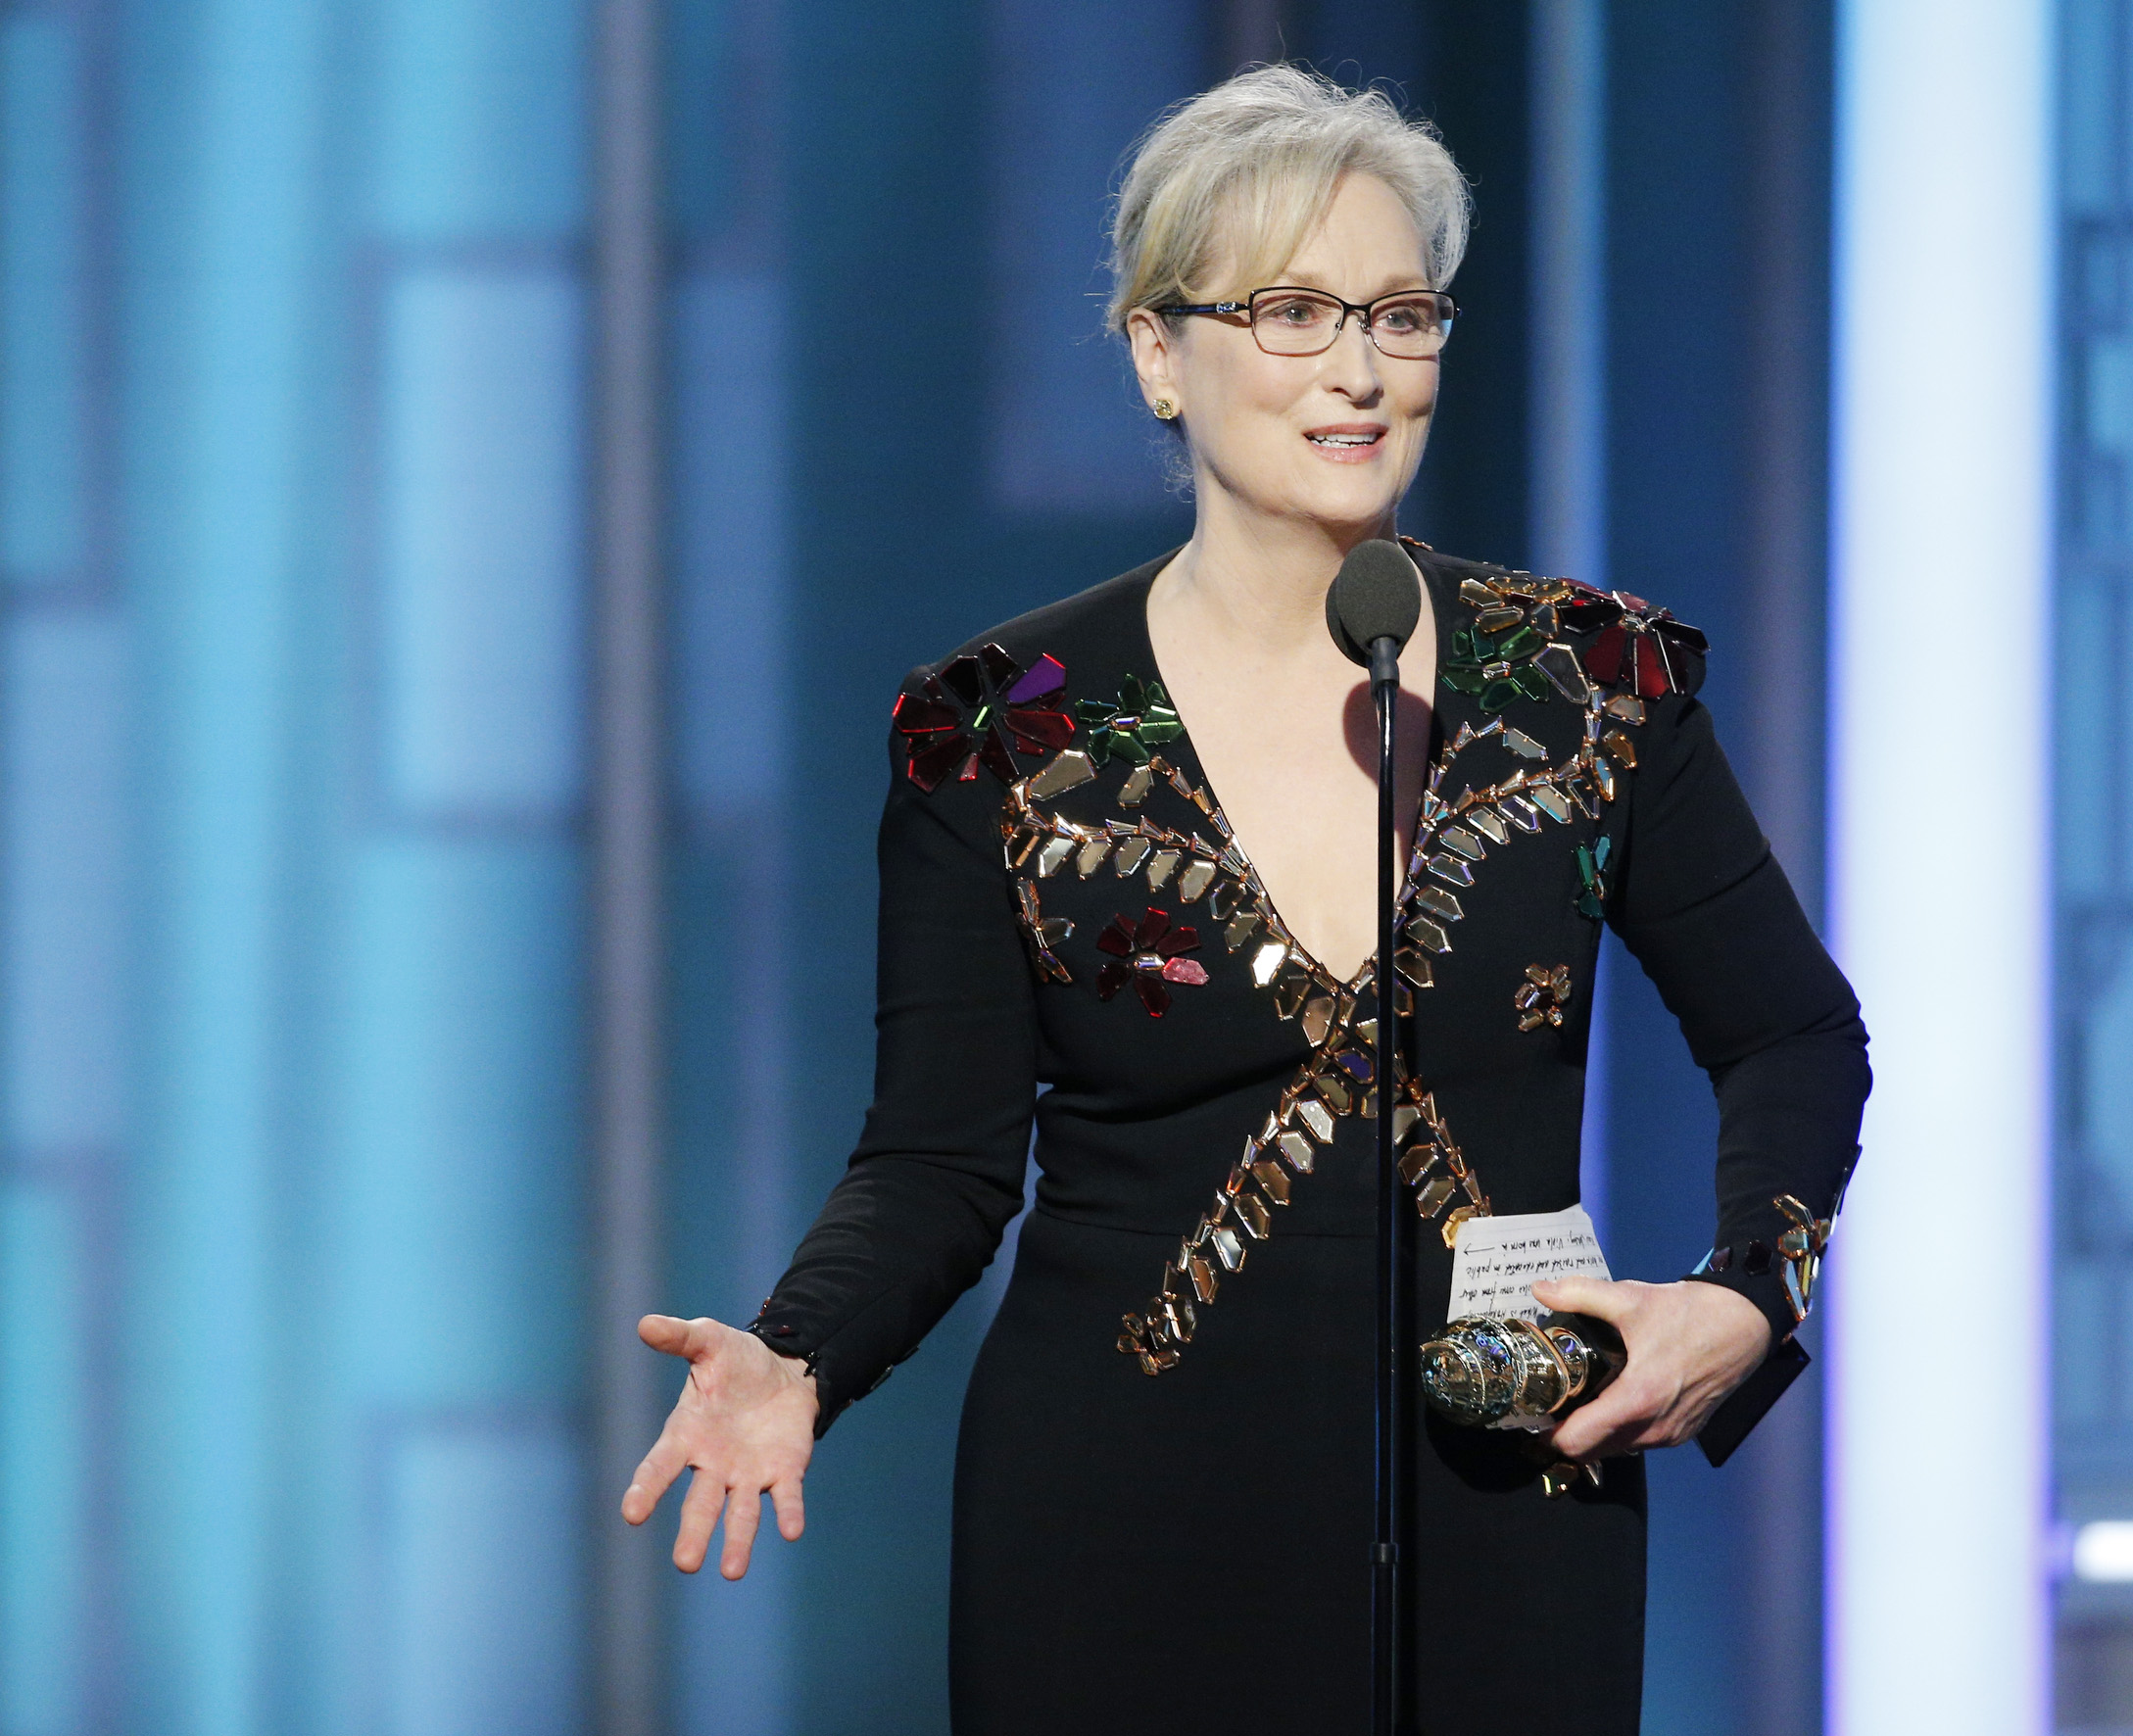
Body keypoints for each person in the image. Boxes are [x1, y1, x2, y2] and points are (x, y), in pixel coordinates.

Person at [619, 64, 1868, 1735]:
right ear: (1158, 351)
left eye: (1400, 313)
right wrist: (797, 1351)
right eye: (1291, 312)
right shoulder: (1004, 729)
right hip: (1115, 1529)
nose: (1357, 369)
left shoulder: (1584, 682)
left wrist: (1746, 1293)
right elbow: (937, 1156)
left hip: (1508, 1504)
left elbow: (1792, 1030)